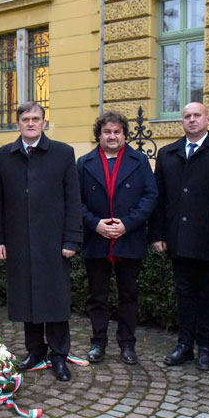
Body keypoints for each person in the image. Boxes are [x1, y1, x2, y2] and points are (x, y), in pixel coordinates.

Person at [0, 102, 82, 382]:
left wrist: (72, 239)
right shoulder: (4, 156)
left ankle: (58, 355)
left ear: (44, 122)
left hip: (53, 240)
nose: (31, 123)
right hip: (18, 240)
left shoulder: (63, 153)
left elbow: (73, 200)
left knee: (54, 299)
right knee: (26, 298)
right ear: (17, 123)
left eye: (36, 119)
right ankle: (35, 351)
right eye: (25, 119)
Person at [148, 101, 209, 371]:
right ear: (182, 122)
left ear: (208, 119)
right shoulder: (167, 153)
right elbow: (159, 197)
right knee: (184, 294)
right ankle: (185, 345)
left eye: (197, 115)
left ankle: (206, 349)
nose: (192, 120)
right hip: (178, 239)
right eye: (187, 116)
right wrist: (158, 234)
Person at [77, 111, 157, 365]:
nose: (112, 136)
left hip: (128, 238)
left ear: (124, 134)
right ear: (99, 135)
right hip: (96, 237)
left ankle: (127, 344)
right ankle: (98, 342)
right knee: (97, 296)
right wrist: (95, 224)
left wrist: (128, 224)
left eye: (117, 132)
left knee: (128, 295)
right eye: (107, 132)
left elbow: (150, 196)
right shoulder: (84, 163)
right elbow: (74, 200)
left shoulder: (139, 161)